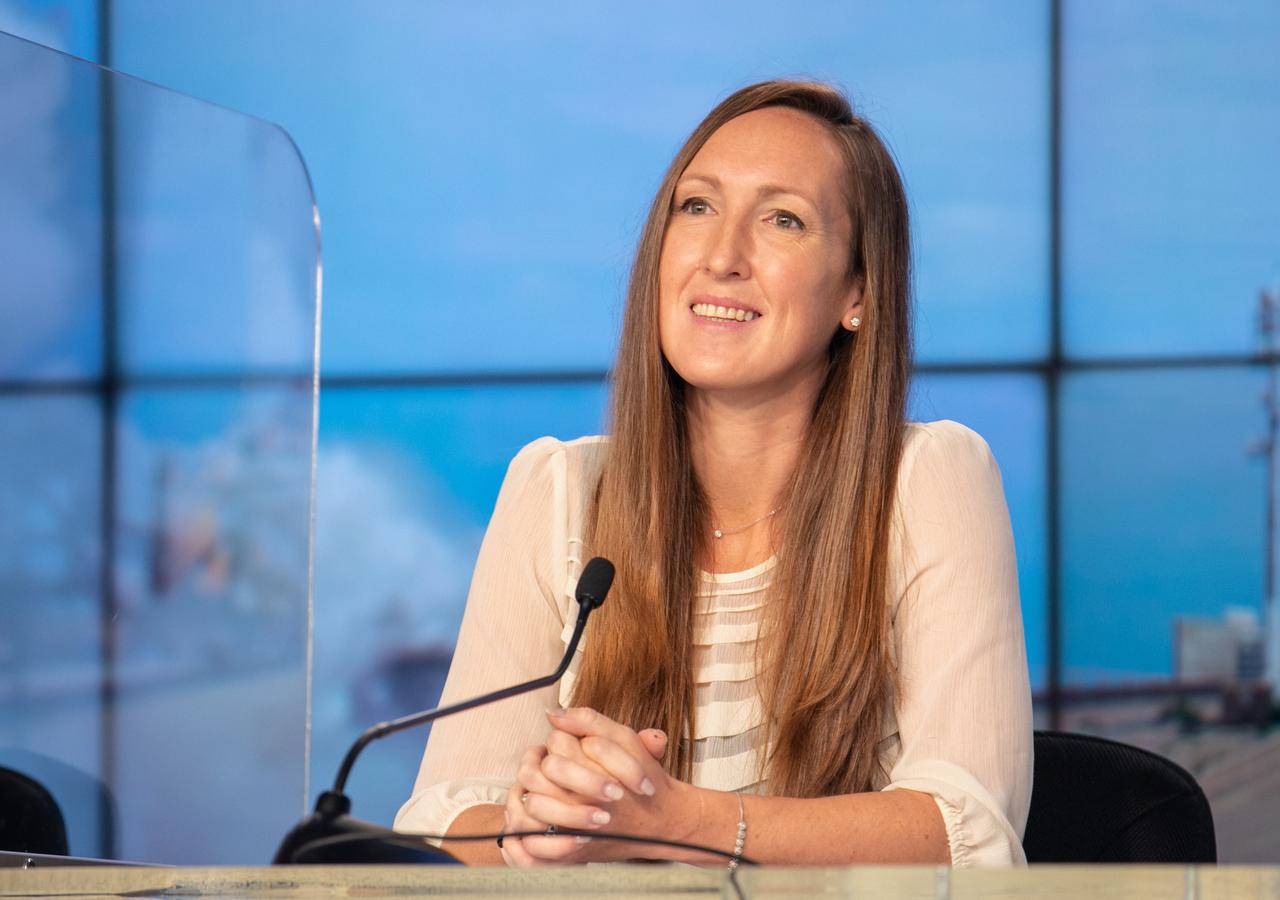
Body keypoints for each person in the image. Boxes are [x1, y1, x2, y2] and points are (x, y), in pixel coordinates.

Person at [395, 79, 1032, 868]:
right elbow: (436, 824)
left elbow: (965, 831)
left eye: (783, 219)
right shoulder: (557, 490)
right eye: (696, 208)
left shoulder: (930, 480)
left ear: (858, 293)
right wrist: (540, 833)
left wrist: (677, 823)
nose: (721, 257)